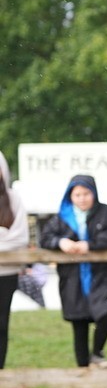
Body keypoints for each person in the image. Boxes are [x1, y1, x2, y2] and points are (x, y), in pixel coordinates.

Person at [38, 174, 107, 370]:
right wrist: (60, 242)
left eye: (86, 193)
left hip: (103, 275)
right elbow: (45, 238)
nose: (82, 198)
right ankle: (82, 368)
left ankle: (97, 352)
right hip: (73, 277)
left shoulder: (106, 213)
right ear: (70, 196)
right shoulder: (62, 217)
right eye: (77, 194)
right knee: (79, 322)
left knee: (104, 313)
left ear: (93, 193)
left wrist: (91, 245)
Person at [0, 152, 30, 369]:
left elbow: (20, 238)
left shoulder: (14, 199)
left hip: (7, 273)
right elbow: (10, 237)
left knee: (1, 324)